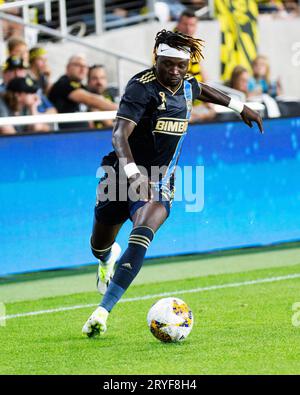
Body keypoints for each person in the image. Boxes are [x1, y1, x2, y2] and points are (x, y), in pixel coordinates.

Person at [82, 30, 263, 338]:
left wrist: (239, 106)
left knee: (141, 236)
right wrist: (133, 174)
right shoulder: (141, 88)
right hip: (119, 175)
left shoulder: (186, 84)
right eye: (168, 65)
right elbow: (118, 136)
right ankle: (106, 257)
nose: (176, 72)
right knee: (98, 244)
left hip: (159, 180)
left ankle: (102, 310)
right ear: (157, 59)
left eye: (182, 65)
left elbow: (203, 89)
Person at [48, 54, 117, 130]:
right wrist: (120, 109)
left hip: (83, 134)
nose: (82, 69)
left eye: (85, 66)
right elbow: (90, 99)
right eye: (78, 65)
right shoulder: (63, 83)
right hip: (67, 135)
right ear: (68, 67)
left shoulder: (81, 86)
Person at [174, 9, 215, 122]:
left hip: (194, 98)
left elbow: (200, 70)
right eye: (185, 24)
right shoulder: (170, 44)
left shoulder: (192, 43)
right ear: (178, 24)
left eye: (192, 25)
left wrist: (209, 97)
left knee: (211, 112)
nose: (188, 28)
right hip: (178, 100)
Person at [87, 64, 118, 129]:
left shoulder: (113, 97)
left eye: (102, 78)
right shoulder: (83, 99)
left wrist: (98, 114)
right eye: (95, 78)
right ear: (88, 81)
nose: (99, 82)